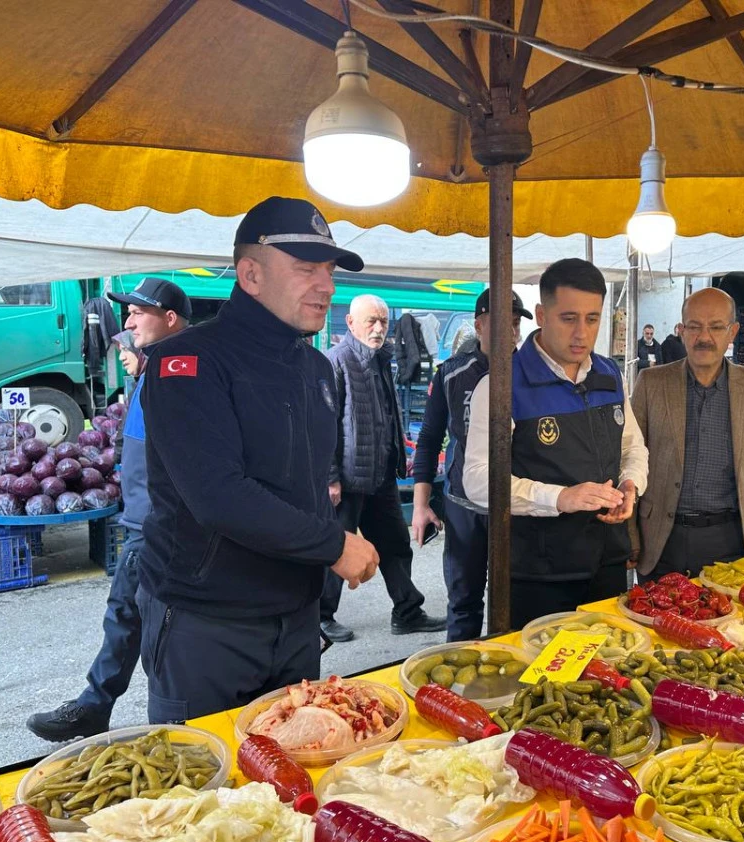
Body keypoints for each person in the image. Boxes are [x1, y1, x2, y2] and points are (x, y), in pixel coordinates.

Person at [134, 196, 379, 724]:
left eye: (330, 270)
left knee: (300, 762)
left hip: (296, 619)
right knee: (206, 771)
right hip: (209, 625)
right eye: (307, 268)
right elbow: (218, 495)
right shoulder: (189, 362)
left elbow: (309, 485)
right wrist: (333, 544)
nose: (327, 285)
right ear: (250, 275)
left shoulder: (316, 368)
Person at [27, 278, 191, 741]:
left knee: (149, 620)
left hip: (161, 523)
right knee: (129, 614)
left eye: (138, 312)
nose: (129, 321)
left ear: (170, 319)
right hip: (143, 519)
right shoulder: (152, 371)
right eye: (128, 312)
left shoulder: (181, 374)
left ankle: (163, 718)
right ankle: (100, 706)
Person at [463, 258, 649, 628]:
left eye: (592, 319)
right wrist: (559, 498)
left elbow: (632, 447)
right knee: (539, 662)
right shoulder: (501, 385)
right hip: (539, 574)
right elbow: (478, 480)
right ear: (541, 315)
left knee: (610, 658)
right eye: (568, 318)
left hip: (607, 563)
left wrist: (632, 484)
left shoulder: (610, 375)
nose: (582, 333)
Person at [630, 288, 744, 579]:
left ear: (732, 332)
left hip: (731, 542)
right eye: (694, 326)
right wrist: (629, 535)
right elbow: (629, 461)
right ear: (681, 331)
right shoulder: (651, 383)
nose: (704, 337)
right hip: (661, 540)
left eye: (716, 327)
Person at [321, 294, 446, 638]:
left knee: (395, 545)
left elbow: (387, 415)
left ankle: (407, 612)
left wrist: (399, 456)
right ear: (350, 323)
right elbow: (322, 424)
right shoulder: (336, 361)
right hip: (348, 479)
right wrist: (330, 477)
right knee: (336, 549)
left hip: (381, 475)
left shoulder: (380, 359)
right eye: (371, 321)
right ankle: (320, 618)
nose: (379, 328)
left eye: (383, 322)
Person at [411, 288, 532, 640]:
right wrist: (420, 505)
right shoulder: (451, 374)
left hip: (517, 505)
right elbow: (429, 439)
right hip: (464, 507)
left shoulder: (532, 374)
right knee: (464, 603)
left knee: (517, 602)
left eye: (515, 323)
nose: (511, 332)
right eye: (501, 323)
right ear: (479, 325)